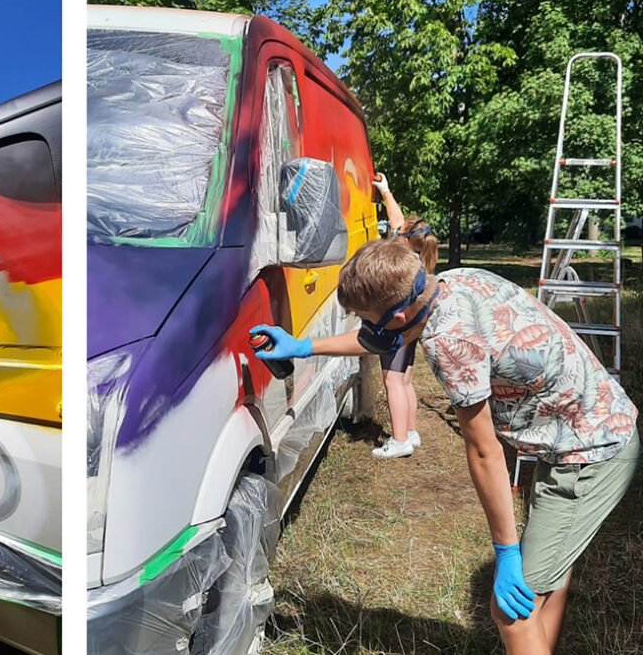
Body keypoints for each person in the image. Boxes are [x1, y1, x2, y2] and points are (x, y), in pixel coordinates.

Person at [251, 241, 639, 654]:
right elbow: (382, 338)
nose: (363, 326)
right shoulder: (448, 283)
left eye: (365, 318)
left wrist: (506, 553)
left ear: (397, 317)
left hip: (589, 453)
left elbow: (483, 451)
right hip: (583, 427)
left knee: (512, 608)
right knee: (547, 578)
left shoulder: (449, 341)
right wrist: (303, 346)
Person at [370, 172, 438, 457]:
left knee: (392, 381)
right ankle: (410, 431)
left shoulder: (402, 261)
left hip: (397, 327)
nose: (394, 231)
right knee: (405, 379)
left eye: (399, 232)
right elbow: (397, 220)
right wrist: (385, 191)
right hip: (412, 327)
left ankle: (399, 442)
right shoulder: (417, 256)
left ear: (406, 239)